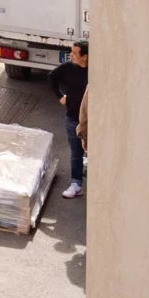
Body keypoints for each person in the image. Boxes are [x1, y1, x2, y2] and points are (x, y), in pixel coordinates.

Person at [52, 41, 89, 200]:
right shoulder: (67, 68)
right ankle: (76, 184)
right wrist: (60, 96)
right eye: (71, 52)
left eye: (74, 53)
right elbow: (52, 77)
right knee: (75, 152)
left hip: (91, 121)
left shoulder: (95, 72)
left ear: (85, 57)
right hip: (73, 118)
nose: (71, 55)